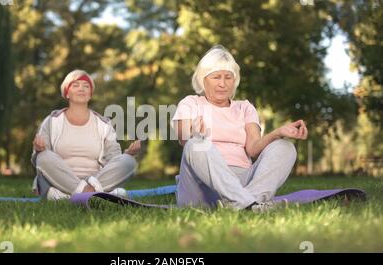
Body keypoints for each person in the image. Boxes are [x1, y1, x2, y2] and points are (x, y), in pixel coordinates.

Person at [172, 45, 308, 212]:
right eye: (216, 77)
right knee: (196, 144)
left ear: (234, 80)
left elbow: (253, 149)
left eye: (228, 77)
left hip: (242, 182)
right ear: (203, 79)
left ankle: (244, 204)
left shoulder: (245, 108)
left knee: (285, 147)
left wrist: (278, 133)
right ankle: (247, 203)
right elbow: (183, 139)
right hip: (200, 188)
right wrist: (193, 132)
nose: (222, 84)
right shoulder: (191, 103)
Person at [31, 69, 141, 200]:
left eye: (86, 86)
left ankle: (70, 196)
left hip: (97, 179)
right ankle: (96, 194)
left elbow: (114, 159)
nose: (81, 89)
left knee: (129, 161)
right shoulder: (52, 121)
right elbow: (40, 161)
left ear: (90, 94)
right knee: (43, 157)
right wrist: (39, 150)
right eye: (75, 85)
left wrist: (128, 154)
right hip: (60, 182)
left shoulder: (104, 124)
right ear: (67, 92)